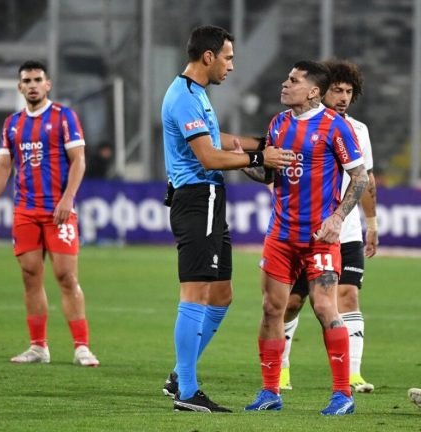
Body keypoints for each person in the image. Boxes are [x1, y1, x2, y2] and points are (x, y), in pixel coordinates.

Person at [160, 25, 294, 413]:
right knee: (196, 292)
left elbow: (217, 138)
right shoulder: (184, 97)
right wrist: (259, 158)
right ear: (208, 57)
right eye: (228, 57)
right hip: (197, 198)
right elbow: (209, 157)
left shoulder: (195, 94)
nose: (232, 66)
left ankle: (178, 375)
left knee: (221, 295)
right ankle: (186, 391)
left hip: (211, 200)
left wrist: (259, 143)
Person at [243, 60, 369, 415]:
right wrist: (232, 161)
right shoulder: (279, 123)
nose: (285, 84)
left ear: (313, 90)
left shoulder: (335, 127)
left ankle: (343, 394)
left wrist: (338, 218)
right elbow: (267, 170)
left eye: (294, 80)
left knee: (326, 307)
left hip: (320, 237)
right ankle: (270, 392)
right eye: (287, 77)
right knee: (272, 309)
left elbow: (359, 177)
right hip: (280, 235)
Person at [0, 60, 99, 367]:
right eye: (26, 80)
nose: (32, 84)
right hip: (25, 212)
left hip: (58, 211)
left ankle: (82, 346)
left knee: (66, 276)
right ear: (20, 87)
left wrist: (68, 199)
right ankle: (38, 347)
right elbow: (4, 166)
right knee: (30, 277)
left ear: (48, 84)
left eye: (37, 79)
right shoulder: (13, 124)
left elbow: (79, 160)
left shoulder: (63, 117)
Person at [279, 59, 379, 394]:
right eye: (338, 90)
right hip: (306, 232)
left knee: (348, 296)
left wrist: (371, 223)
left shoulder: (358, 130)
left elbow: (365, 178)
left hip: (345, 232)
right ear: (320, 91)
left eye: (349, 91)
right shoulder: (297, 125)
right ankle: (281, 370)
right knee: (291, 302)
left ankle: (352, 374)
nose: (344, 97)